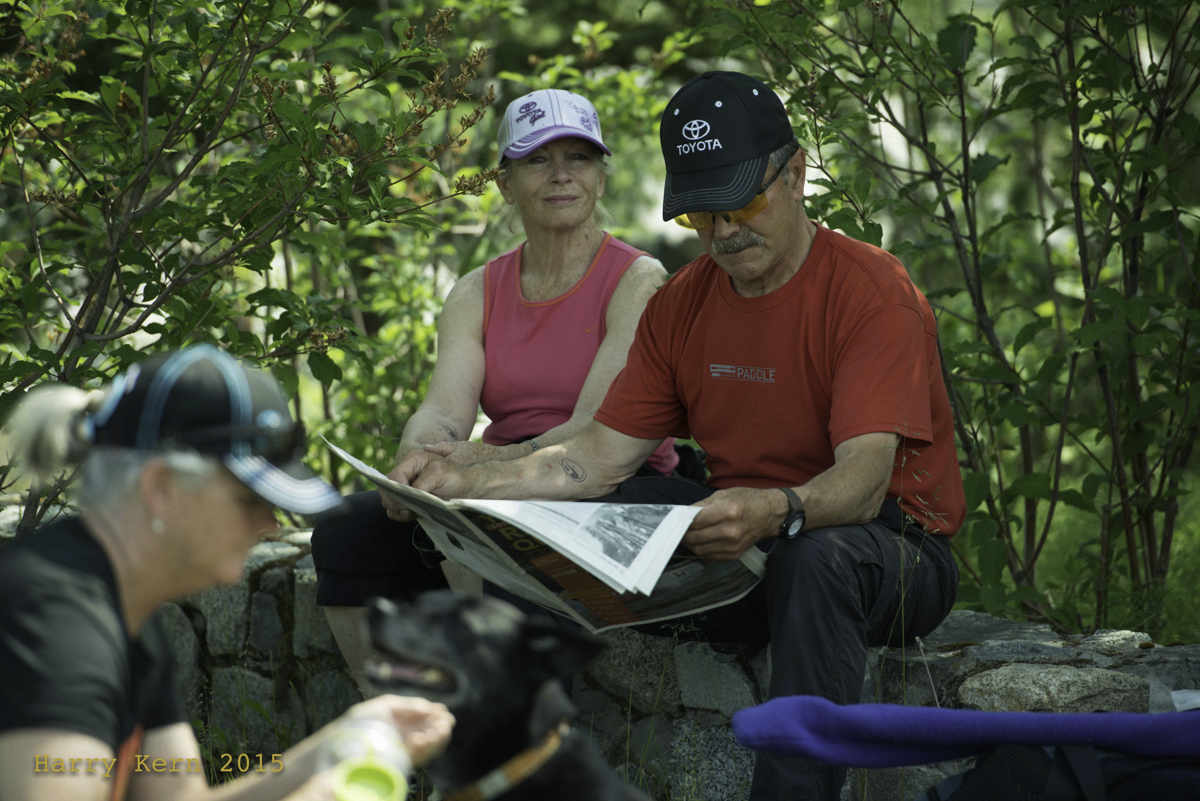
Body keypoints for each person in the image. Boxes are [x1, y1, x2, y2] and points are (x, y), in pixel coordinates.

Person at [396, 71, 967, 801]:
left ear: (795, 174)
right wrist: (467, 483)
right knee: (555, 523)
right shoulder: (684, 302)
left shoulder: (871, 290)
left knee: (815, 558)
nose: (724, 233)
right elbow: (594, 457)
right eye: (702, 213)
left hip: (887, 549)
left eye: (743, 204)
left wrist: (775, 509)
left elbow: (862, 482)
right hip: (743, 538)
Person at [310, 88, 676, 693]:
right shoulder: (478, 290)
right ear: (505, 184)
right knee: (349, 530)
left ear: (601, 176)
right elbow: (443, 408)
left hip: (607, 482)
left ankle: (506, 727)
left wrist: (474, 468)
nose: (561, 175)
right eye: (537, 160)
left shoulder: (639, 280)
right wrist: (417, 464)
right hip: (499, 484)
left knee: (485, 531)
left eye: (579, 158)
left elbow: (595, 430)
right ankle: (393, 728)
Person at [0, 345, 455, 801]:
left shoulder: (125, 608)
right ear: (162, 487)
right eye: (248, 499)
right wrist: (330, 794)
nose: (269, 524)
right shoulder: (52, 618)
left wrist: (337, 749)